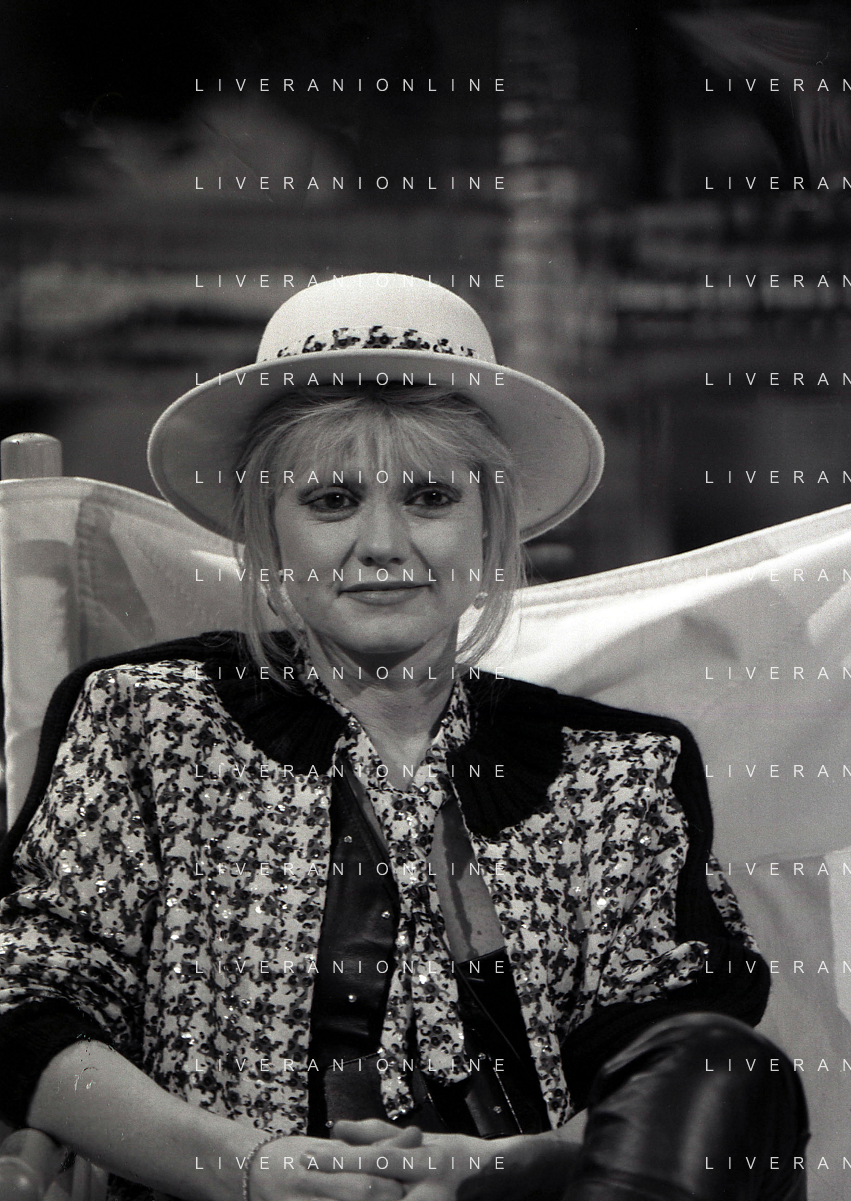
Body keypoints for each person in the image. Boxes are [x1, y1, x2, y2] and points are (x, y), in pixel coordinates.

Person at [0, 273, 808, 1201]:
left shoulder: (619, 769)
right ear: (266, 532)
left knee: (727, 1066)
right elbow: (24, 1000)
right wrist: (245, 1167)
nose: (382, 543)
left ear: (490, 528)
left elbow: (677, 1068)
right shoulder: (146, 720)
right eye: (331, 501)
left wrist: (499, 1170)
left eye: (428, 498)